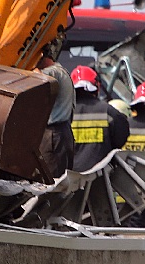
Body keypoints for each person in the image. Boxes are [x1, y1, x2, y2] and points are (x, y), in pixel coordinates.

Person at [69, 65, 130, 171]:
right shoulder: (108, 112)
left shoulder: (61, 113)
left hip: (65, 180)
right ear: (97, 85)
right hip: (101, 179)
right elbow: (121, 138)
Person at [36, 43, 75, 179]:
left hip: (53, 135)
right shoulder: (61, 71)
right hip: (60, 133)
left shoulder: (54, 72)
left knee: (51, 180)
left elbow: (36, 78)